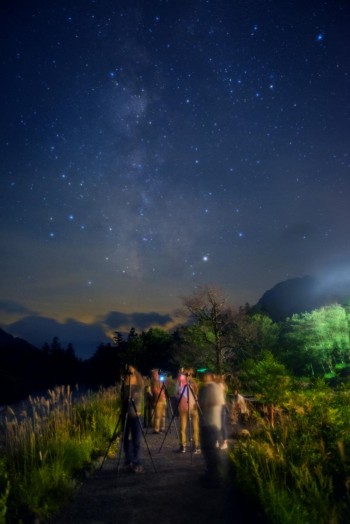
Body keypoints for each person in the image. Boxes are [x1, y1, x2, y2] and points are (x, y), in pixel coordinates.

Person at [198, 370, 223, 487]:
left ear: (210, 376)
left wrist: (202, 405)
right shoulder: (206, 388)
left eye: (206, 375)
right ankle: (212, 472)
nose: (204, 377)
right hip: (207, 422)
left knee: (210, 449)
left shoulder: (214, 388)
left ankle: (215, 475)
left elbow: (217, 402)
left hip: (211, 422)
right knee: (207, 448)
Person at [121, 365, 144, 473]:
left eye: (131, 374)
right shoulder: (125, 388)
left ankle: (137, 462)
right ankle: (128, 460)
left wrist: (133, 370)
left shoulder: (139, 387)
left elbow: (136, 398)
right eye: (128, 374)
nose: (129, 376)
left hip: (136, 416)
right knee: (126, 439)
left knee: (136, 440)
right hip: (126, 415)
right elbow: (123, 399)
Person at [176, 368, 200, 453]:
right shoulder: (182, 383)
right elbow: (178, 391)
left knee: (193, 427)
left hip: (191, 407)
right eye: (187, 374)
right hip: (187, 407)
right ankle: (188, 445)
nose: (187, 376)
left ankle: (190, 445)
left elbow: (196, 391)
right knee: (186, 427)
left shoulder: (190, 383)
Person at [150, 369, 167, 433]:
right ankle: (156, 429)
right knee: (157, 415)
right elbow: (154, 391)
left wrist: (162, 390)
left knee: (163, 415)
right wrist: (160, 392)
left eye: (157, 373)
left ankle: (162, 428)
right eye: (155, 374)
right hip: (158, 400)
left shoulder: (160, 381)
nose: (156, 375)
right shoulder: (153, 382)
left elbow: (164, 389)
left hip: (163, 399)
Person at [215, 374, 229, 450]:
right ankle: (221, 441)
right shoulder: (222, 386)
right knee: (220, 425)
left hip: (220, 406)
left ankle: (223, 442)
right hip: (220, 406)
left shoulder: (219, 386)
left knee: (221, 425)